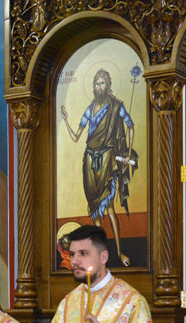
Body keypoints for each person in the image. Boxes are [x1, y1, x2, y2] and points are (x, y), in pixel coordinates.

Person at [60, 69, 137, 266]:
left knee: (109, 207)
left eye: (102, 83)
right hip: (89, 160)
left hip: (107, 158)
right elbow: (77, 136)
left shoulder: (116, 107)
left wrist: (128, 152)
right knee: (94, 209)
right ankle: (99, 258)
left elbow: (130, 125)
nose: (99, 87)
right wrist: (66, 120)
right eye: (96, 84)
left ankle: (118, 252)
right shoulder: (90, 109)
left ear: (107, 85)